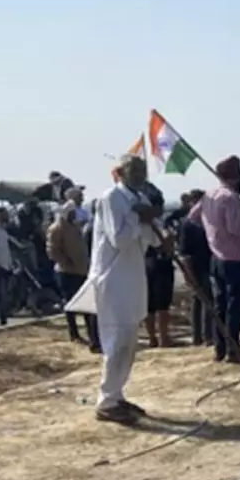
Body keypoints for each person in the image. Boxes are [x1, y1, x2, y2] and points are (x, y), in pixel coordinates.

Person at [76, 155, 162, 425]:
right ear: (121, 173)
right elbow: (120, 238)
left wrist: (153, 225)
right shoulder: (111, 198)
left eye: (142, 170)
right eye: (133, 170)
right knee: (116, 343)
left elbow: (150, 241)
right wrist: (139, 218)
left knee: (129, 343)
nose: (139, 174)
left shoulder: (141, 199)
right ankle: (106, 401)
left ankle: (116, 394)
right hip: (113, 280)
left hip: (133, 278)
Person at [189, 156, 240, 362]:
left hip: (216, 259)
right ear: (237, 176)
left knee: (219, 306)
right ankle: (233, 350)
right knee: (236, 308)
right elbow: (236, 229)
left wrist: (212, 233)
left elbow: (193, 217)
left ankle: (219, 348)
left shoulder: (209, 195)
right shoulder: (230, 198)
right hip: (235, 260)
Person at [47, 203, 99, 351]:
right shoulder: (56, 228)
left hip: (81, 270)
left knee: (86, 304)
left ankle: (92, 334)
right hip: (66, 272)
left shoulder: (74, 227)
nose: (73, 215)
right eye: (70, 213)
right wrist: (66, 262)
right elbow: (52, 250)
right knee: (70, 303)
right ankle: (73, 332)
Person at [179, 190, 215, 346]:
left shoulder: (208, 221)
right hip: (195, 265)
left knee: (208, 300)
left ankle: (207, 335)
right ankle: (199, 336)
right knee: (198, 299)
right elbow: (184, 252)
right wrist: (188, 273)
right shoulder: (187, 224)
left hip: (208, 264)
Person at [141, 184, 175, 348]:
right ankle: (162, 336)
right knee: (161, 303)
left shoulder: (145, 222)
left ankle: (153, 337)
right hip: (158, 262)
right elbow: (164, 242)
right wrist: (170, 241)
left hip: (146, 263)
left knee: (150, 304)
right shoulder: (156, 223)